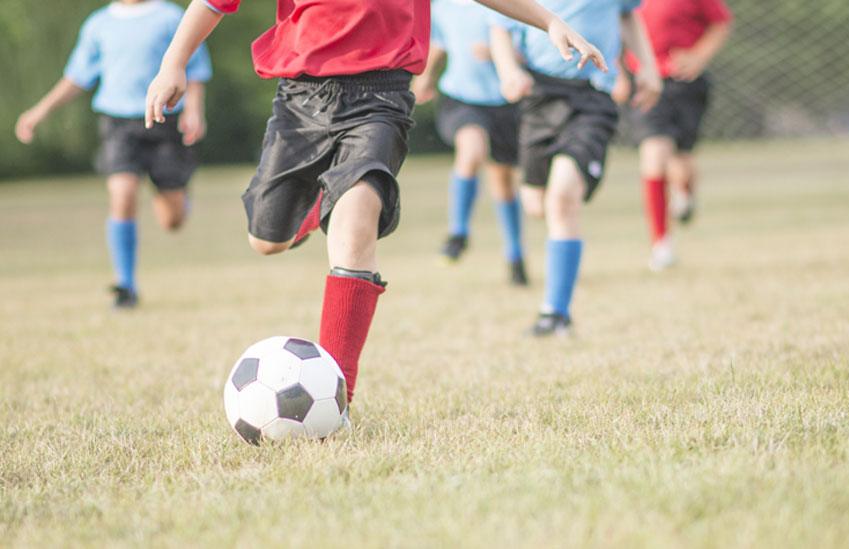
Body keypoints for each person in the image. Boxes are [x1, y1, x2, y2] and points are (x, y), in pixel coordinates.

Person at [143, 0, 607, 417]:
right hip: (301, 99)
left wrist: (549, 21)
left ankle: (338, 393)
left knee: (355, 221)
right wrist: (172, 64)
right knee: (266, 240)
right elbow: (213, 3)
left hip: (380, 97)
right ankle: (315, 205)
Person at [14, 0, 212, 309]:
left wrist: (195, 111)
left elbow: (195, 68)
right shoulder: (98, 24)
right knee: (122, 193)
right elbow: (76, 77)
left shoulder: (171, 16)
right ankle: (126, 285)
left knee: (172, 219)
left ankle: (175, 192)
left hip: (165, 122)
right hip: (118, 124)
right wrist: (39, 111)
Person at [490, 0, 662, 337]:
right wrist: (509, 71)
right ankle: (557, 292)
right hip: (540, 95)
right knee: (536, 205)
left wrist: (649, 67)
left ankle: (555, 314)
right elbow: (500, 26)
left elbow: (629, 16)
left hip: (593, 96)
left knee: (562, 197)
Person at [412, 0, 529, 286]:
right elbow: (440, 42)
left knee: (502, 180)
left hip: (504, 102)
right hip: (461, 98)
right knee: (472, 149)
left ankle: (515, 255)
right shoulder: (444, 6)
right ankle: (458, 232)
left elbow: (532, 51)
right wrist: (426, 78)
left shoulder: (513, 5)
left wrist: (499, 54)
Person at [617, 0, 732, 272]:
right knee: (654, 153)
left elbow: (721, 23)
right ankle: (661, 244)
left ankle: (685, 194)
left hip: (684, 83)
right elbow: (614, 25)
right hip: (646, 81)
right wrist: (620, 74)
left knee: (681, 160)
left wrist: (698, 56)